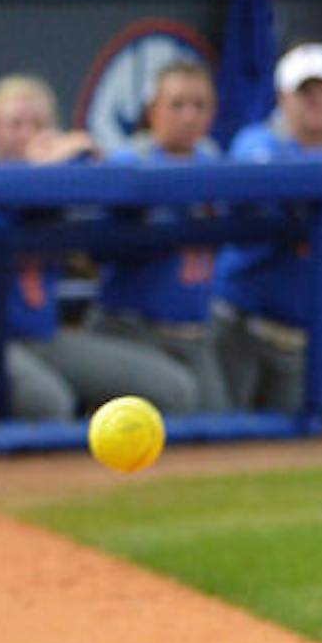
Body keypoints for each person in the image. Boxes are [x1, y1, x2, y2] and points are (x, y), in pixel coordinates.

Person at [0, 75, 198, 420]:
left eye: (39, 124)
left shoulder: (60, 181)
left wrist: (86, 155)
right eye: (14, 124)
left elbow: (106, 191)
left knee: (175, 390)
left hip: (44, 338)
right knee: (50, 404)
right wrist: (42, 168)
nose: (27, 134)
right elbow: (6, 208)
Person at [92, 61, 230, 412]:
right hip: (132, 329)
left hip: (196, 333)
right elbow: (93, 249)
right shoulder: (129, 162)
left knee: (220, 426)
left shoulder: (216, 164)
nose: (189, 116)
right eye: (177, 104)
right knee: (173, 403)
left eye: (199, 106)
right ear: (152, 111)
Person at [213, 42, 322, 411]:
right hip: (243, 325)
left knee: (297, 445)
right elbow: (265, 181)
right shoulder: (258, 142)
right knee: (224, 436)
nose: (314, 101)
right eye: (304, 92)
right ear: (283, 98)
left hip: (313, 338)